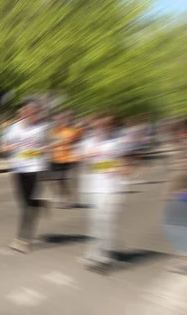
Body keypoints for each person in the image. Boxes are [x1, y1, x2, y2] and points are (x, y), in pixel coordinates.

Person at [80, 114, 128, 273]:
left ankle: (104, 256)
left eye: (105, 126)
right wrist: (91, 160)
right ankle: (94, 253)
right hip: (94, 188)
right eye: (98, 126)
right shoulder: (87, 144)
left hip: (113, 188)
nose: (101, 129)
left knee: (107, 222)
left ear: (110, 127)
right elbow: (86, 166)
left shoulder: (117, 143)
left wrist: (114, 166)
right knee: (96, 223)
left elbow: (124, 165)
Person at [2, 100, 49, 254]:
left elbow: (50, 145)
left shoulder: (42, 128)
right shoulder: (13, 128)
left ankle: (23, 239)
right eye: (26, 111)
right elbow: (4, 147)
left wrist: (44, 149)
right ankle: (39, 204)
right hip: (18, 168)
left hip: (36, 168)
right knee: (23, 203)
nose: (29, 113)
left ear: (36, 113)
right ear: (22, 113)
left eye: (33, 111)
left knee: (27, 206)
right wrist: (9, 147)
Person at [162, 119, 187, 274]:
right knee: (175, 224)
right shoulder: (185, 146)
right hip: (184, 191)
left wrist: (181, 190)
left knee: (174, 224)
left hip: (186, 192)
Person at [50, 111, 80, 208]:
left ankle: (67, 199)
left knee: (65, 180)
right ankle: (61, 196)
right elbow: (48, 144)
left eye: (60, 119)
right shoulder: (52, 132)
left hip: (68, 159)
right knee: (56, 181)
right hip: (55, 159)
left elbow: (78, 144)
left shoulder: (73, 131)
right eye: (55, 120)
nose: (58, 121)